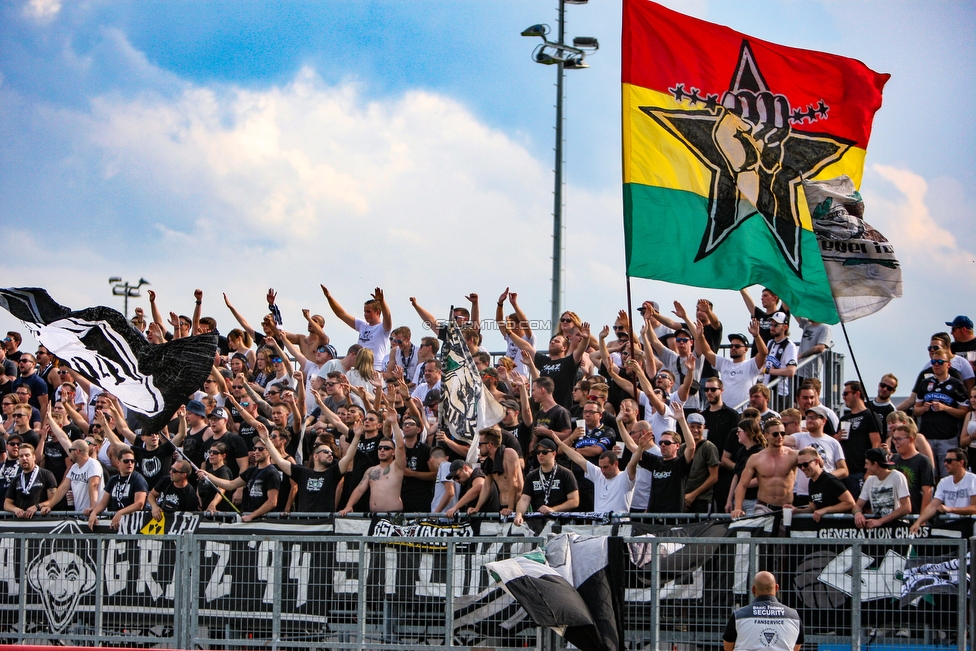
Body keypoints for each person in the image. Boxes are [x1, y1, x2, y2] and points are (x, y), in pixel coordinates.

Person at [262, 425, 358, 513]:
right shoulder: (303, 473)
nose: (330, 454)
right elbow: (279, 460)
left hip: (324, 525)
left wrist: (357, 437)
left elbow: (349, 456)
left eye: (331, 452)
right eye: (325, 451)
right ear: (315, 456)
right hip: (304, 524)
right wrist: (266, 439)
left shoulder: (332, 473)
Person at [913, 350, 968, 481]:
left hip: (947, 438)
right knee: (930, 475)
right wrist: (923, 409)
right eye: (933, 362)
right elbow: (916, 410)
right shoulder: (925, 383)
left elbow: (965, 412)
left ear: (948, 364)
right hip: (927, 437)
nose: (936, 365)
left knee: (948, 475)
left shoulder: (956, 384)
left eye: (940, 362)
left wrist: (945, 408)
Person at [339, 410, 406, 514]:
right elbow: (359, 489)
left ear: (393, 452)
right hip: (373, 516)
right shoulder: (371, 471)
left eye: (386, 448)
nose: (382, 450)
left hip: (392, 515)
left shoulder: (397, 467)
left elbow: (400, 446)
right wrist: (349, 506)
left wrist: (394, 422)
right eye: (380, 448)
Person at [198, 438, 279, 522]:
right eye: (255, 448)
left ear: (270, 451)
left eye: (261, 449)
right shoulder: (251, 470)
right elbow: (230, 485)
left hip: (264, 521)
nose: (257, 451)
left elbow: (272, 502)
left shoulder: (271, 472)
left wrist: (251, 516)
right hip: (250, 519)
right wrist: (208, 475)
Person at [733, 417, 798, 518]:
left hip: (786, 507)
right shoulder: (756, 458)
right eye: (775, 434)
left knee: (784, 533)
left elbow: (817, 467)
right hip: (763, 506)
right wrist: (738, 508)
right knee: (763, 533)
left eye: (783, 433)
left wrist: (813, 454)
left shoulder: (793, 455)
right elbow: (742, 485)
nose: (780, 437)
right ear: (766, 435)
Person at [554, 434, 638, 513]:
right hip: (599, 526)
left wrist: (640, 447)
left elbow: (634, 461)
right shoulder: (598, 474)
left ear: (615, 464)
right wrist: (559, 442)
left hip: (619, 526)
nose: (603, 471)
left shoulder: (625, 477)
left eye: (606, 467)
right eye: (601, 467)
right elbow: (578, 458)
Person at [723, 571, 803, 651]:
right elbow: (796, 647)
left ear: (753, 589)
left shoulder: (738, 616)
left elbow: (728, 647)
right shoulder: (794, 617)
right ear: (776, 588)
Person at [696, 322, 768, 410]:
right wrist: (700, 336)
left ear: (745, 349)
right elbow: (707, 351)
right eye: (731, 345)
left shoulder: (751, 364)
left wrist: (756, 336)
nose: (733, 348)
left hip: (743, 411)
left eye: (737, 346)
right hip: (725, 411)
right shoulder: (724, 363)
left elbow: (763, 352)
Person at [639, 408, 697, 513]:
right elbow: (632, 447)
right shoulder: (656, 461)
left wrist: (682, 421)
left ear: (677, 446)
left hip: (672, 517)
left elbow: (691, 447)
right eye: (661, 442)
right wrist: (619, 422)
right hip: (653, 517)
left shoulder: (680, 463)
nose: (663, 445)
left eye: (667, 442)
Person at [321, 286, 393, 370]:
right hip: (359, 367)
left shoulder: (383, 328)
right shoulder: (362, 325)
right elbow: (341, 314)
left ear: (377, 312)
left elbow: (387, 317)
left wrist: (382, 301)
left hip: (375, 368)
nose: (365, 314)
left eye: (368, 312)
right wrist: (329, 297)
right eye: (364, 311)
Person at [513, 437, 579, 525]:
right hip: (538, 523)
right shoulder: (531, 476)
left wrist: (553, 509)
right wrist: (519, 514)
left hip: (561, 522)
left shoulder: (565, 474)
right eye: (537, 452)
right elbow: (524, 499)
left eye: (544, 452)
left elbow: (574, 501)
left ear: (554, 454)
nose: (540, 455)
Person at [910, 447, 976, 534]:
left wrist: (951, 509)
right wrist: (919, 522)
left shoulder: (973, 479)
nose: (945, 463)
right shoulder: (944, 482)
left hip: (969, 526)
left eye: (949, 460)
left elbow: (974, 508)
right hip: (951, 527)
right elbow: (933, 506)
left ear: (961, 462)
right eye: (944, 460)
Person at [837, 381, 883, 497]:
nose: (844, 397)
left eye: (846, 393)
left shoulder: (870, 416)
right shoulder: (843, 418)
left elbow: (876, 445)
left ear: (857, 394)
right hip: (844, 471)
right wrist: (836, 437)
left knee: (862, 505)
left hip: (861, 471)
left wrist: (869, 472)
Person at [87, 448, 149, 530]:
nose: (130, 463)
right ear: (118, 463)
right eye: (126, 461)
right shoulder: (113, 479)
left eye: (132, 461)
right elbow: (103, 502)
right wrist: (94, 513)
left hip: (134, 525)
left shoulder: (138, 479)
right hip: (116, 523)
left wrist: (120, 512)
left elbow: (139, 504)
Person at [788, 447, 855, 521]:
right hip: (823, 527)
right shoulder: (812, 482)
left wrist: (825, 510)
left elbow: (850, 502)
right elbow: (812, 508)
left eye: (805, 464)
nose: (803, 468)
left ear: (816, 461)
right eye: (799, 466)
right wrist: (796, 510)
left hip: (838, 524)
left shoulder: (830, 480)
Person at [40, 439, 104, 515]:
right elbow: (62, 488)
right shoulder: (74, 467)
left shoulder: (93, 464)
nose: (69, 453)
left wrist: (92, 507)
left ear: (77, 451)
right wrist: (49, 506)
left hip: (95, 515)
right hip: (80, 513)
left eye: (70, 450)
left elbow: (94, 485)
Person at [853, 448, 911, 529]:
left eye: (867, 463)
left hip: (898, 527)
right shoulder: (870, 480)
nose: (865, 467)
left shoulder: (897, 476)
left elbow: (906, 508)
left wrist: (881, 521)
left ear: (875, 464)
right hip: (879, 529)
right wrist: (857, 513)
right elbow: (857, 505)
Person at [472, 428, 522, 517]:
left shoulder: (509, 454)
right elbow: (486, 487)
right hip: (502, 506)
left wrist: (510, 508)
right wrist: (477, 508)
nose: (479, 447)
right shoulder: (489, 462)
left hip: (517, 505)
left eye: (480, 444)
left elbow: (514, 482)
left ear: (489, 445)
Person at [889, 423, 935, 514]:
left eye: (899, 439)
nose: (895, 442)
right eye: (894, 439)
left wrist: (922, 518)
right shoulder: (894, 458)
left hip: (915, 512)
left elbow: (927, 492)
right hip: (895, 513)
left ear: (910, 439)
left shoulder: (923, 460)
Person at [3, 443, 57, 519]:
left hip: (41, 520)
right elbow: (7, 504)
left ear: (34, 457)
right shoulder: (16, 479)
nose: (24, 458)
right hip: (21, 522)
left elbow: (53, 499)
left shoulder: (46, 475)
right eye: (21, 456)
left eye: (27, 455)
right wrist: (15, 509)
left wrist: (37, 506)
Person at [725, 420, 765, 515]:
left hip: (753, 499)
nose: (737, 433)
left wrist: (742, 485)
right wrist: (729, 499)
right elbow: (736, 476)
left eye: (739, 431)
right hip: (739, 500)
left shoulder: (760, 452)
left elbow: (762, 478)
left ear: (747, 432)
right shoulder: (741, 451)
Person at [684, 412, 720, 513]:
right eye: (692, 426)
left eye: (699, 427)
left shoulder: (708, 447)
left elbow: (714, 476)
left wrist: (693, 495)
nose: (695, 430)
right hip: (684, 498)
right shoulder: (683, 448)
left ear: (704, 427)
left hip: (702, 499)